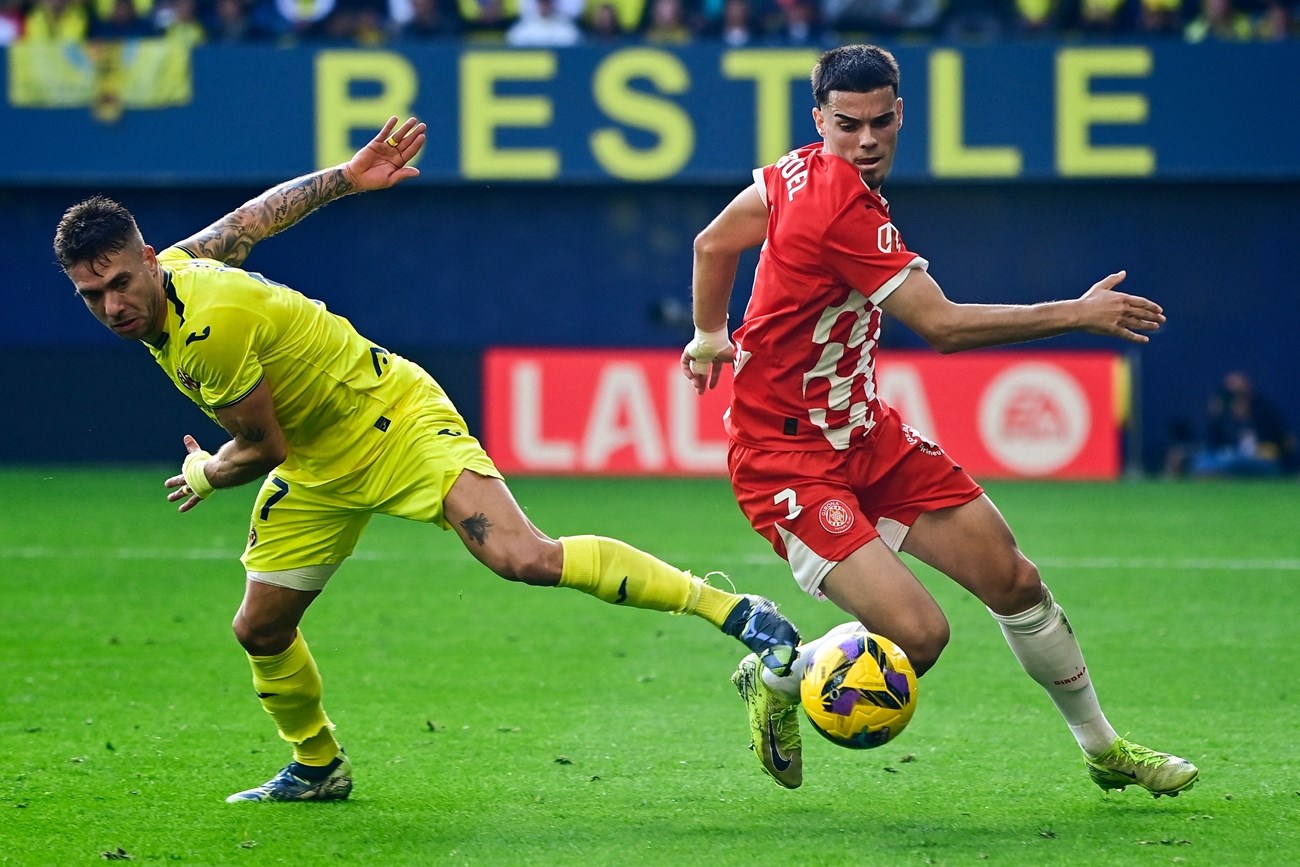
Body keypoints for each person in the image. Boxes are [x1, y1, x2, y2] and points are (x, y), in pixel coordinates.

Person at [55, 116, 800, 803]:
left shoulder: (207, 330)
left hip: (394, 420)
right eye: (92, 294)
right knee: (260, 630)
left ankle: (737, 611)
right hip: (321, 464)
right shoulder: (178, 272)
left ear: (148, 260)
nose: (113, 304)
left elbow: (260, 446)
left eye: (121, 281)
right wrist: (344, 177)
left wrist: (204, 471)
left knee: (523, 557)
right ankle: (317, 766)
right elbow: (253, 219)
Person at [680, 45, 1199, 796]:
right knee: (918, 638)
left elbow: (713, 242)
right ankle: (779, 672)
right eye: (848, 124)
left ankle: (1103, 746)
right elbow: (945, 326)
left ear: (900, 114)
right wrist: (1077, 313)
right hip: (785, 458)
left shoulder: (795, 172)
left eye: (880, 121)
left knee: (1014, 579)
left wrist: (707, 335)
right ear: (819, 118)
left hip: (866, 434)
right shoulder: (837, 206)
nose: (866, 139)